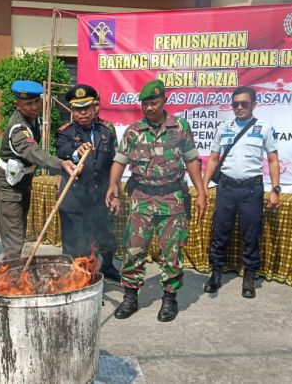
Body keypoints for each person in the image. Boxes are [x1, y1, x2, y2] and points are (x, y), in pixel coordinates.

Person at [105, 79, 207, 322]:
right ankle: (130, 297)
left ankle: (169, 300)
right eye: (145, 104)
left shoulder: (180, 127)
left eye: (154, 102)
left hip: (172, 199)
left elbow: (192, 160)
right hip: (142, 198)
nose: (149, 108)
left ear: (164, 101)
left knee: (172, 253)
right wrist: (113, 186)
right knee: (133, 250)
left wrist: (201, 191)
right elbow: (119, 161)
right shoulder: (133, 131)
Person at [202, 85, 280, 299]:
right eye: (235, 103)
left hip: (251, 189)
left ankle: (249, 277)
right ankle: (215, 273)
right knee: (220, 232)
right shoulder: (223, 127)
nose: (239, 107)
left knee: (251, 234)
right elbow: (213, 159)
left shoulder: (264, 128)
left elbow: (273, 161)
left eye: (244, 103)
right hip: (226, 188)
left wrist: (275, 189)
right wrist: (203, 187)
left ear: (253, 105)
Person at [0, 80, 77, 260]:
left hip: (22, 182)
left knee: (20, 233)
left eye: (36, 101)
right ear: (17, 104)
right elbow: (34, 152)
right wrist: (60, 164)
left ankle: (13, 274)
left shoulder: (33, 120)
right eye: (28, 104)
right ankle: (9, 282)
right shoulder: (18, 129)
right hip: (8, 186)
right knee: (14, 239)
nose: (34, 107)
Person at [56, 84, 121, 283]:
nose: (82, 113)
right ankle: (82, 283)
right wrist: (77, 152)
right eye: (77, 109)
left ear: (95, 108)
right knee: (76, 244)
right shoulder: (65, 132)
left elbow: (114, 163)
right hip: (74, 200)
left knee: (104, 238)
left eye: (86, 108)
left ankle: (107, 268)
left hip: (100, 198)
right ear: (72, 111)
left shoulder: (107, 131)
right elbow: (62, 151)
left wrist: (115, 190)